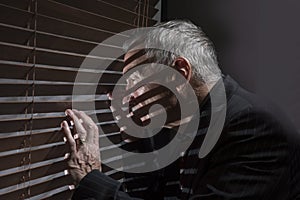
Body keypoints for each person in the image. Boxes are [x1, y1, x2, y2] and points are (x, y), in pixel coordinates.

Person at [61, 20, 300, 199]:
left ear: (179, 72)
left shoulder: (251, 126)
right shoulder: (190, 125)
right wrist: (137, 143)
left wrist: (91, 179)